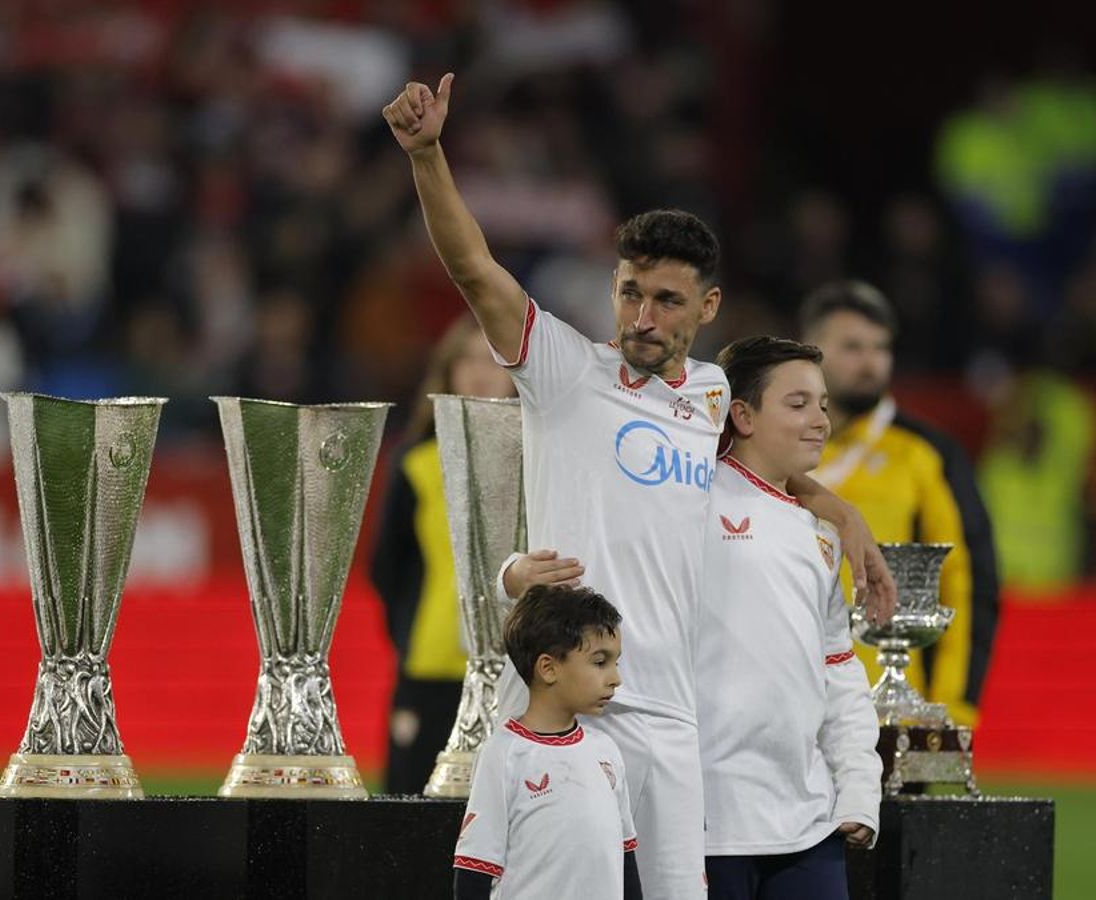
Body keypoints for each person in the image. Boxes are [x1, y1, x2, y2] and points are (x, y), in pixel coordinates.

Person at [384, 74, 895, 898]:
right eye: (630, 293)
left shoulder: (714, 395)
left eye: (666, 300)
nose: (643, 318)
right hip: (559, 699)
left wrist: (837, 509)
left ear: (708, 306)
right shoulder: (564, 371)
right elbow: (475, 270)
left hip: (665, 710)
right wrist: (427, 155)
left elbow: (763, 474)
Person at [698, 336, 881, 899]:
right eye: (798, 404)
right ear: (743, 415)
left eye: (822, 404)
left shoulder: (821, 534)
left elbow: (839, 670)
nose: (820, 420)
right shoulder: (689, 501)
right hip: (706, 822)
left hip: (808, 823)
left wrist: (859, 787)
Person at [800, 281, 999, 726]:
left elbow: (965, 578)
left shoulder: (925, 452)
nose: (871, 363)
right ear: (811, 351)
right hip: (788, 696)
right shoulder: (775, 444)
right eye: (853, 347)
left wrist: (954, 705)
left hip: (891, 708)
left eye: (881, 348)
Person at [371, 315, 517, 795]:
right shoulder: (416, 462)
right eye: (466, 360)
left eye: (492, 361)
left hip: (516, 671)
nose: (479, 373)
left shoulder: (539, 458)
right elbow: (387, 565)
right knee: (413, 807)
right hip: (431, 665)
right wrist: (408, 632)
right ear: (447, 371)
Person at [454, 585, 639, 900]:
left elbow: (626, 860)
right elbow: (475, 870)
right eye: (600, 662)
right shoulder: (504, 754)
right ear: (548, 668)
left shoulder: (605, 750)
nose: (615, 679)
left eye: (615, 663)